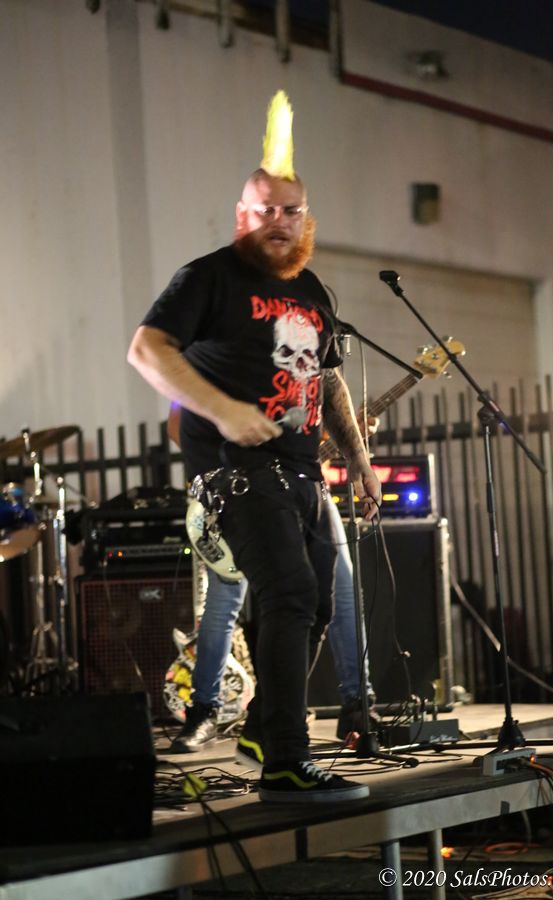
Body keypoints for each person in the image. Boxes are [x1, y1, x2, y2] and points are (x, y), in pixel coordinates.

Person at [128, 91, 381, 803]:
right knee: (290, 592)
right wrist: (223, 410)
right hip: (234, 472)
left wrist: (358, 460)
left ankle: (267, 732)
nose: (278, 220)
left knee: (316, 607)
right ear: (243, 215)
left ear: (305, 218)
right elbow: (147, 349)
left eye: (290, 210)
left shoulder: (313, 289)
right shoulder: (207, 277)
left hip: (303, 474)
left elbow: (327, 380)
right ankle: (288, 763)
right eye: (265, 209)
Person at [166, 403, 381, 754]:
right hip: (241, 490)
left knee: (339, 594)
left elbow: (323, 399)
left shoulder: (310, 375)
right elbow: (177, 423)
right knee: (225, 603)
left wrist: (351, 441)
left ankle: (357, 704)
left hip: (307, 487)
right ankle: (204, 710)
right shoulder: (223, 371)